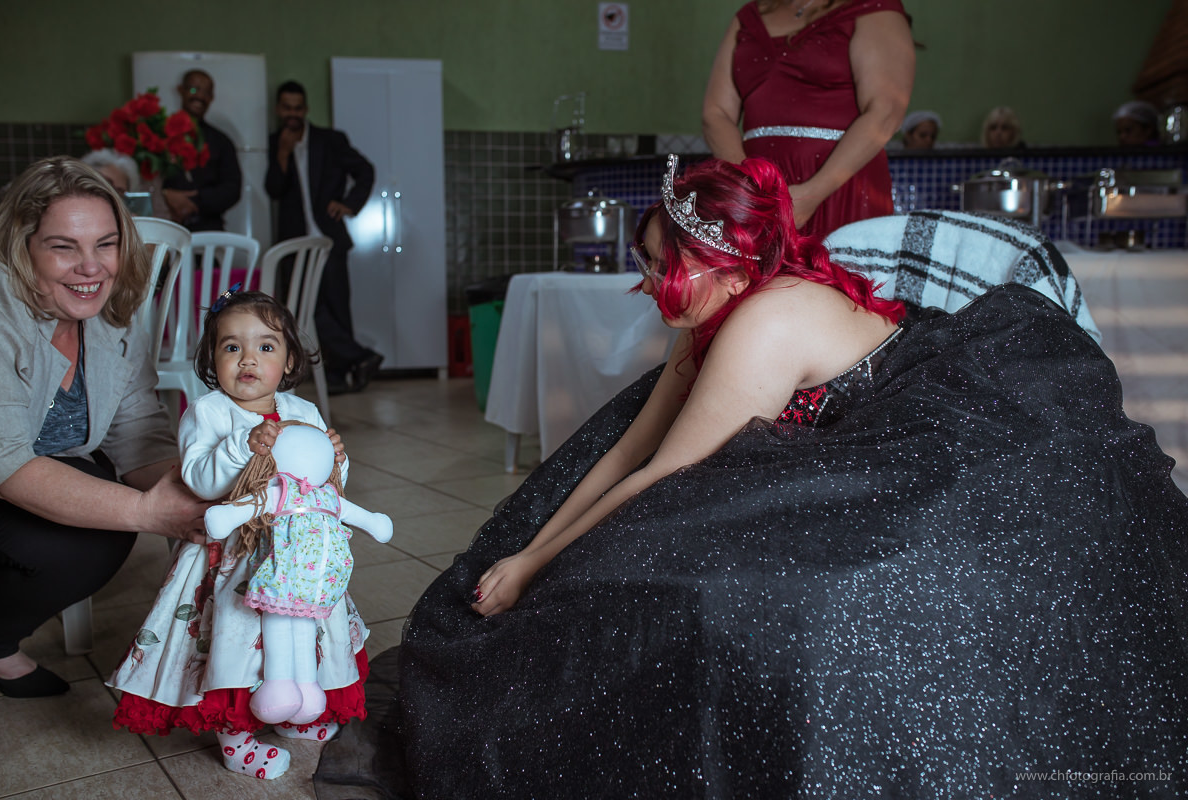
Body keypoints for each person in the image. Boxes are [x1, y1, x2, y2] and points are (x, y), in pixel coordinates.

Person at [341, 155, 1188, 797]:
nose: (641, 287)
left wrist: (536, 569)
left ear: (715, 263)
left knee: (739, 584)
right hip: (838, 443)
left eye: (654, 266)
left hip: (938, 431)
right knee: (610, 532)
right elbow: (626, 453)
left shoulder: (764, 324)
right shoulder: (716, 311)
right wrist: (530, 547)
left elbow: (666, 477)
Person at [108, 290, 373, 781]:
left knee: (304, 634)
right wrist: (241, 445)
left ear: (290, 359)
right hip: (235, 559)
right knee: (236, 641)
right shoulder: (208, 414)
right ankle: (236, 736)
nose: (248, 359)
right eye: (231, 347)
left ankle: (296, 707)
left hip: (299, 556)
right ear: (212, 359)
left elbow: (324, 484)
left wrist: (337, 460)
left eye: (266, 347)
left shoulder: (304, 411)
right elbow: (201, 480)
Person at [0, 156, 211, 698]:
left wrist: (206, 487)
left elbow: (135, 426)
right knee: (90, 534)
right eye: (64, 247)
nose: (92, 268)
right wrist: (147, 510)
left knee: (101, 531)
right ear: (24, 246)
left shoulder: (114, 305)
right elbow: (4, 460)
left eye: (105, 244)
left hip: (34, 467)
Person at [701, 0, 914, 238]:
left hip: (840, 184)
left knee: (843, 271)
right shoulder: (749, 16)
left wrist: (813, 193)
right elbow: (715, 113)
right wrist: (750, 184)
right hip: (758, 187)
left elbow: (886, 111)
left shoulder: (873, 7)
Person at [264, 80, 381, 395]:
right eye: (286, 108)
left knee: (338, 309)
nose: (292, 113)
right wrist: (283, 155)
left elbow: (365, 170)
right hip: (294, 246)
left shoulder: (330, 141)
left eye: (297, 108)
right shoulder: (274, 143)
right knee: (304, 311)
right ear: (278, 109)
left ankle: (338, 376)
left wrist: (350, 205)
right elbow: (273, 189)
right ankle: (362, 357)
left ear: (306, 109)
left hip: (330, 240)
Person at [161, 69, 242, 232]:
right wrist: (165, 195)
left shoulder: (221, 141)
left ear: (211, 98)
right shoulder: (160, 133)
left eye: (206, 92)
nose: (199, 96)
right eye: (193, 89)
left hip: (209, 230)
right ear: (180, 90)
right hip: (165, 227)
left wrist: (193, 202)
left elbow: (232, 189)